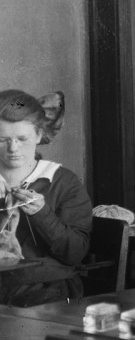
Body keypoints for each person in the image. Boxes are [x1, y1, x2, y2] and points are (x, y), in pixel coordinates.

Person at [0, 90, 91, 306]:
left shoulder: (62, 182)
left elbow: (75, 253)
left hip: (45, 289)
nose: (13, 149)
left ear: (39, 135)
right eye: (2, 140)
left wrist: (43, 215)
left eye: (23, 139)